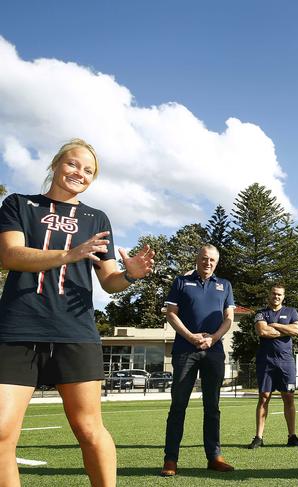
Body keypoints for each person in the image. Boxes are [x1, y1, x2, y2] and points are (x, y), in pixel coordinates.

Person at [0, 138, 155, 487]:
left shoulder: (96, 218)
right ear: (56, 165)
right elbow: (11, 255)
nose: (79, 173)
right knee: (1, 433)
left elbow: (110, 281)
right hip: (16, 330)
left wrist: (131, 273)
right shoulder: (19, 205)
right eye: (72, 164)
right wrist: (69, 254)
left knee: (89, 429)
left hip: (75, 332)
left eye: (88, 171)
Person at [160, 244, 235, 477]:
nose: (208, 263)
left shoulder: (225, 285)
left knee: (212, 407)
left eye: (212, 260)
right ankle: (170, 460)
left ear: (217, 262)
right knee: (178, 406)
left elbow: (229, 318)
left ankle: (214, 457)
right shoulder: (181, 282)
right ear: (197, 258)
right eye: (204, 258)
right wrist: (191, 337)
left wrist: (213, 339)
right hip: (185, 350)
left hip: (213, 351)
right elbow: (171, 313)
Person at [247, 284, 298, 449]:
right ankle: (258, 437)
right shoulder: (261, 313)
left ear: (283, 297)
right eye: (274, 294)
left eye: (279, 294)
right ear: (269, 295)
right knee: (264, 397)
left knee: (289, 397)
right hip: (266, 362)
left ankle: (292, 436)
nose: (276, 296)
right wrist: (287, 330)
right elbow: (263, 332)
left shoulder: (292, 312)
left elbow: (297, 331)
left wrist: (275, 325)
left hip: (287, 363)